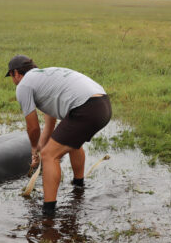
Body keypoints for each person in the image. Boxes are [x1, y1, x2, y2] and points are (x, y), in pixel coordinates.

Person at [6, 55, 112, 215]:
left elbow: (33, 127)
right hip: (103, 104)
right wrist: (40, 147)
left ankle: (48, 213)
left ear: (16, 73)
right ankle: (79, 187)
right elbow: (50, 125)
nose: (13, 80)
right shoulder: (45, 79)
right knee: (71, 143)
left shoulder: (24, 86)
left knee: (50, 156)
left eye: (11, 76)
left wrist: (35, 149)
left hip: (86, 108)